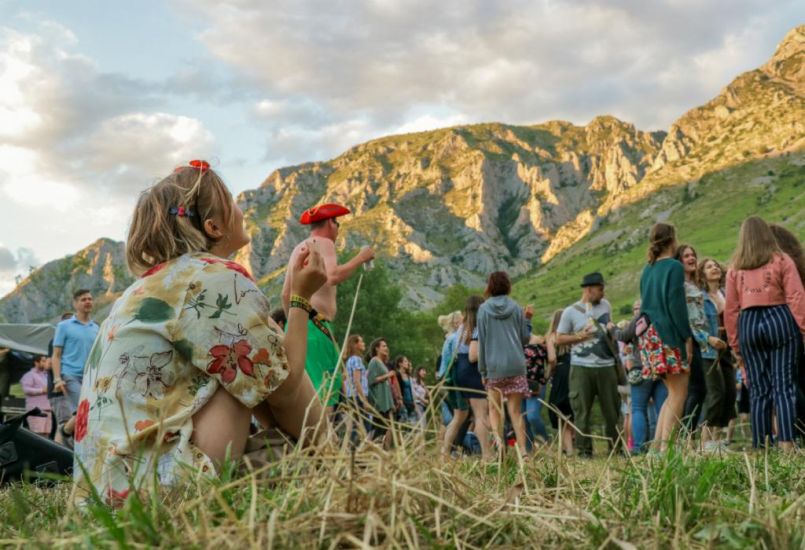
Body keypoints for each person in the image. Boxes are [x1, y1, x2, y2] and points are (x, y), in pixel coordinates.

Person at [73, 160, 327, 506]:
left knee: (253, 354)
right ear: (214, 226)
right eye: (233, 200)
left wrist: (284, 304)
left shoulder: (146, 289)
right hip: (157, 492)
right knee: (242, 368)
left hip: (105, 491)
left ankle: (315, 458)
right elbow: (284, 390)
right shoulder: (214, 279)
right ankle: (330, 459)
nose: (243, 208)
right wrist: (299, 300)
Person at [282, 203, 375, 414]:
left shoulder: (298, 248)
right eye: (338, 223)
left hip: (299, 326)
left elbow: (285, 295)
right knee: (325, 393)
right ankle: (321, 444)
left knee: (306, 390)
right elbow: (332, 277)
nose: (338, 229)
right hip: (318, 325)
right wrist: (361, 258)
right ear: (331, 223)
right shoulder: (323, 242)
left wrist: (294, 327)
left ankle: (306, 443)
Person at [724, 216, 805, 451]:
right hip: (779, 319)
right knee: (784, 385)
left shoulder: (734, 269)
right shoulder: (782, 260)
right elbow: (796, 297)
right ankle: (787, 442)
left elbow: (731, 309)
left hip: (748, 323)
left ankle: (761, 445)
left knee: (758, 390)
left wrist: (735, 345)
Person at [638, 223, 693, 452]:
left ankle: (656, 450)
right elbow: (676, 307)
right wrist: (687, 338)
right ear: (673, 239)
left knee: (670, 394)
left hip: (649, 337)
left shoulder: (647, 270)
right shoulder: (674, 267)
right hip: (669, 335)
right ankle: (667, 451)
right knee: (679, 393)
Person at [556, 272, 621, 457]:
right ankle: (584, 451)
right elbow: (558, 339)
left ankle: (616, 448)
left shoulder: (606, 306)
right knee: (581, 411)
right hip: (581, 367)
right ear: (589, 290)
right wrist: (579, 336)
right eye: (600, 289)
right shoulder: (569, 312)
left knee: (612, 411)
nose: (603, 293)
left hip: (606, 365)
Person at [477, 273, 532, 456]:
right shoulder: (516, 307)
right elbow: (524, 339)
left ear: (490, 286)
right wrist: (527, 320)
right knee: (515, 411)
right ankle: (523, 450)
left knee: (494, 408)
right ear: (508, 285)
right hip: (515, 364)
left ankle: (500, 445)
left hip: (494, 367)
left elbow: (482, 342)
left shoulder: (483, 310)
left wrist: (483, 370)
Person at [610, 300, 668, 454]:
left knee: (637, 408)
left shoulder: (641, 319)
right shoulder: (663, 314)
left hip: (640, 367)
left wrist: (612, 328)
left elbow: (623, 335)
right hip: (660, 366)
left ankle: (639, 447)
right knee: (662, 408)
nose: (637, 311)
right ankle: (663, 445)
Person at [443, 296, 493, 460]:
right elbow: (473, 356)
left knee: (460, 416)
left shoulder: (462, 327)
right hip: (472, 370)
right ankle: (487, 455)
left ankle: (444, 454)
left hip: (459, 370)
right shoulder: (477, 327)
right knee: (481, 415)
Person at [698, 257, 737, 451]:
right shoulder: (700, 297)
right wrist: (708, 339)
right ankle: (705, 442)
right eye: (708, 267)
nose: (714, 268)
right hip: (708, 350)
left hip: (727, 348)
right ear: (702, 274)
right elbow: (693, 325)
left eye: (715, 265)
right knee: (716, 393)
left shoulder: (725, 293)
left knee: (730, 392)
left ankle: (717, 440)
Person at [52, 289, 99, 412]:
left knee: (90, 411)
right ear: (75, 304)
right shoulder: (64, 326)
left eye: (90, 299)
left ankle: (66, 430)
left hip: (91, 377)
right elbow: (56, 355)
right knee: (85, 408)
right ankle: (67, 430)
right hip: (70, 376)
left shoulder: (96, 327)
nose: (88, 301)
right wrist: (57, 379)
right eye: (83, 299)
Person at [546, 309, 574, 456]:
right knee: (572, 409)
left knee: (559, 412)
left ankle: (568, 449)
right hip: (575, 371)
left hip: (561, 373)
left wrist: (548, 373)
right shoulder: (572, 336)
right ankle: (572, 445)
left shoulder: (552, 337)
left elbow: (551, 359)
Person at [366, 338, 395, 449]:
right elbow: (371, 380)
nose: (386, 348)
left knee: (383, 427)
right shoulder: (374, 361)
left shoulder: (382, 362)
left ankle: (375, 450)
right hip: (379, 401)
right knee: (378, 427)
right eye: (383, 346)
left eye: (386, 346)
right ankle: (367, 450)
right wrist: (387, 375)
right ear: (376, 348)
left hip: (385, 400)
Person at [523, 334, 550, 447]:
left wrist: (545, 378)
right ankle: (529, 450)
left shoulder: (539, 341)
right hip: (517, 384)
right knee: (522, 419)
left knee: (532, 416)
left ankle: (545, 443)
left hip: (535, 385)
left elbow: (552, 360)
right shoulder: (512, 340)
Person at [436, 311, 463, 427]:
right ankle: (452, 443)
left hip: (444, 381)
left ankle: (453, 443)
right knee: (459, 416)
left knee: (458, 416)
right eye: (463, 320)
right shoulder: (454, 338)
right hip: (449, 380)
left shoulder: (450, 338)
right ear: (456, 323)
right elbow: (455, 359)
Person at [344, 335, 370, 441]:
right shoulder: (357, 360)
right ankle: (355, 450)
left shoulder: (350, 360)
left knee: (356, 426)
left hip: (351, 396)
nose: (364, 343)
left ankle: (352, 451)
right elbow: (356, 381)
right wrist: (364, 400)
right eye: (361, 341)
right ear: (355, 344)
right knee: (364, 427)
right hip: (357, 397)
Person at [20, 355, 52, 438]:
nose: (46, 363)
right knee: (37, 435)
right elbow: (26, 389)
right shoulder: (29, 375)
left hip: (48, 409)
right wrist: (42, 390)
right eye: (43, 361)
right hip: (36, 410)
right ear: (36, 362)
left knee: (46, 435)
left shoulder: (46, 375)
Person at [396, 356, 417, 423]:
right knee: (403, 421)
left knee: (413, 423)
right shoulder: (397, 375)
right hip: (403, 402)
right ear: (400, 364)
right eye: (405, 361)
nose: (407, 363)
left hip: (410, 402)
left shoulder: (407, 375)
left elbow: (411, 390)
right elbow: (396, 388)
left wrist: (414, 402)